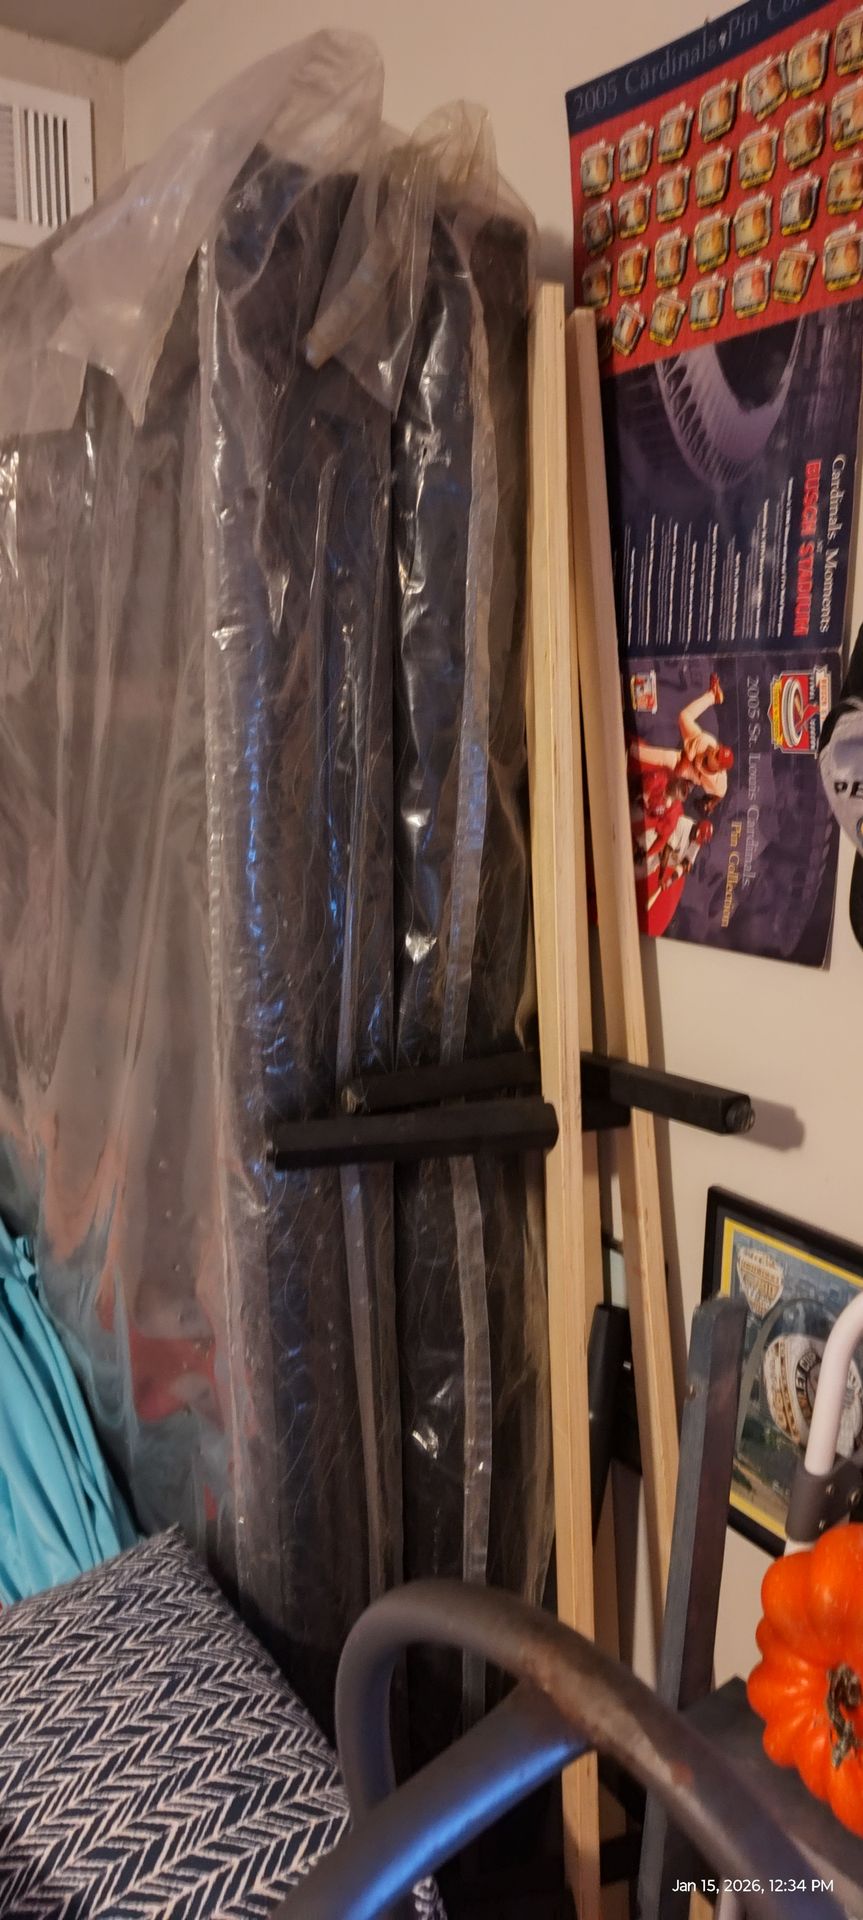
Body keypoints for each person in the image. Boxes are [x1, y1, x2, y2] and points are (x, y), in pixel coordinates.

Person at [628, 672, 734, 800]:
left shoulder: (719, 784)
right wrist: (676, 774)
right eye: (719, 750)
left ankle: (631, 749)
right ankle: (712, 696)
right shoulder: (707, 744)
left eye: (717, 756)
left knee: (666, 757)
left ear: (720, 768)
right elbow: (683, 763)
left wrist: (712, 802)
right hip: (691, 752)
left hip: (692, 771)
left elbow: (719, 795)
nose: (715, 751)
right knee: (684, 716)